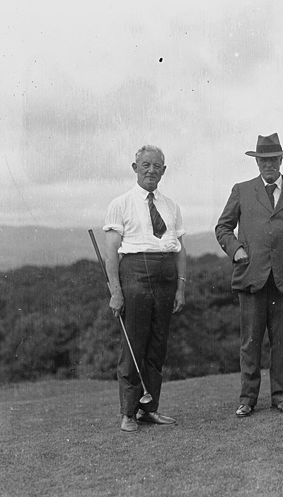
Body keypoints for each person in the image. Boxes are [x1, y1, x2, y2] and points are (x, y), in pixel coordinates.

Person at [216, 133, 283, 418]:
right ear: (257, 162)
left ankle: (280, 397)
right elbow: (223, 228)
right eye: (263, 160)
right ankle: (247, 399)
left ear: (281, 159)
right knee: (250, 342)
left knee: (280, 342)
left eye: (273, 159)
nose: (268, 164)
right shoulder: (241, 190)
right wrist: (235, 249)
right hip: (251, 278)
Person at [103, 145, 187, 432]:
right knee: (133, 345)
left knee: (157, 346)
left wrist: (181, 288)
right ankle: (128, 412)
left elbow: (180, 250)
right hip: (135, 275)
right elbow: (112, 251)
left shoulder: (171, 205)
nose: (151, 170)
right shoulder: (121, 203)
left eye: (157, 166)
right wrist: (116, 291)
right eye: (145, 165)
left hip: (166, 276)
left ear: (164, 170)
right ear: (135, 168)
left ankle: (148, 410)